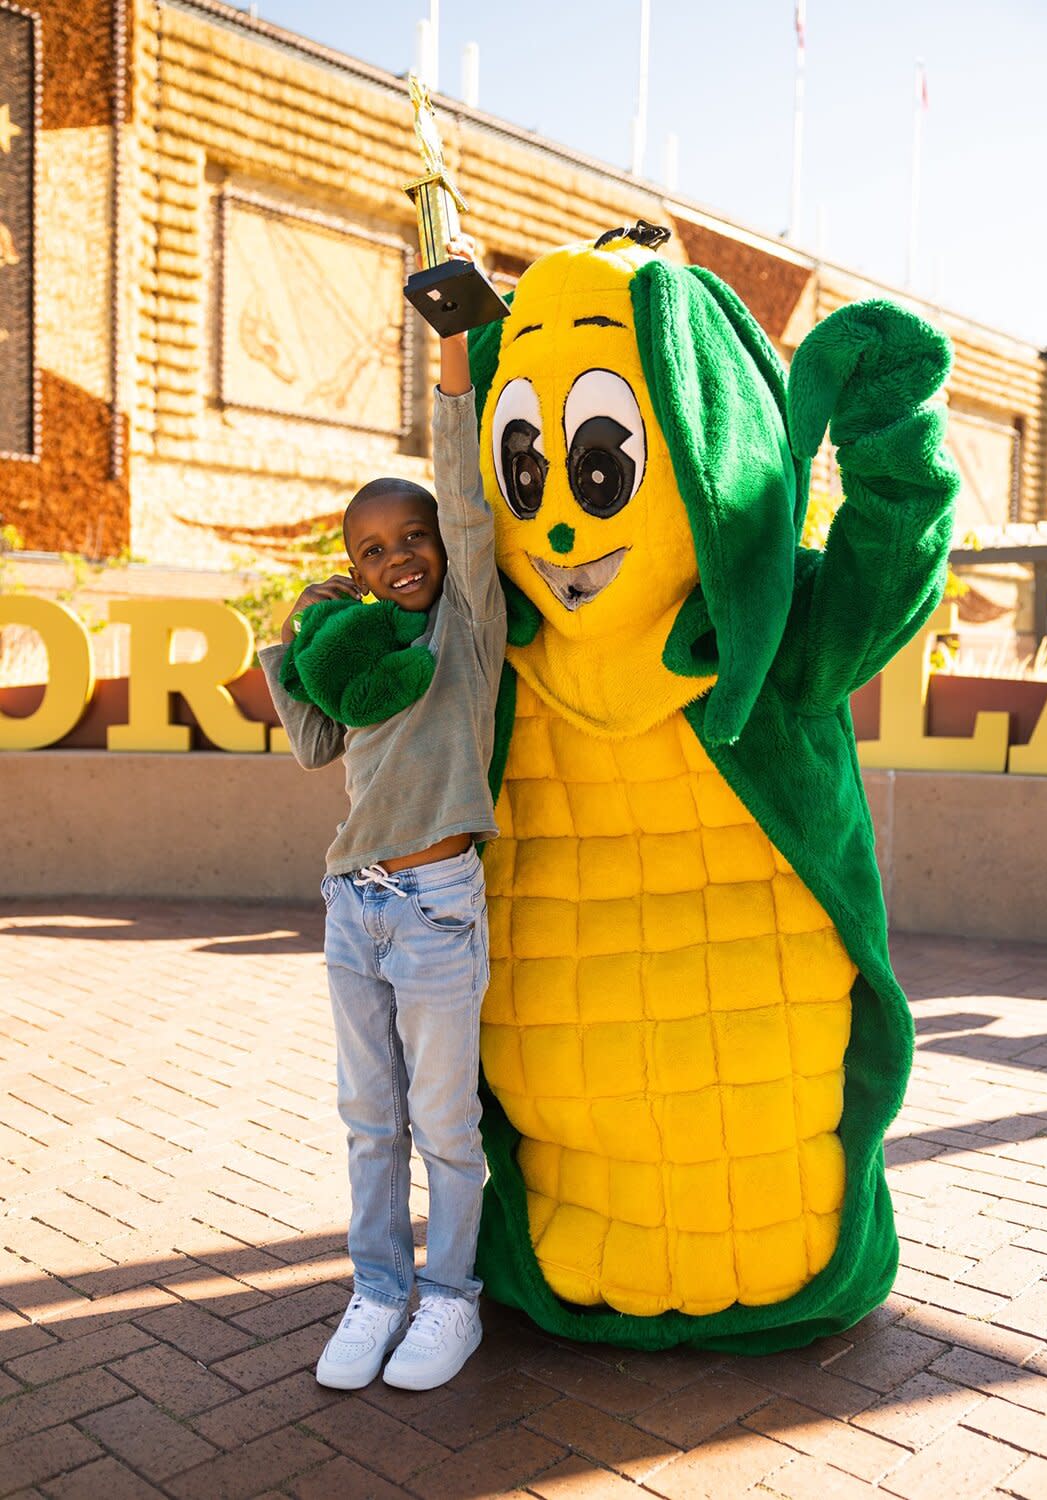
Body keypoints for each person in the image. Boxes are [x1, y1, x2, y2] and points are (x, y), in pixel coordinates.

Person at [258, 241, 506, 1393]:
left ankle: (451, 1298)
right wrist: (291, 641)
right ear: (355, 569)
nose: (398, 556)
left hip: (442, 904)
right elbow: (311, 747)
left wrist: (452, 352)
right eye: (373, 551)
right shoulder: (364, 660)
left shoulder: (464, 632)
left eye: (412, 539)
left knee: (446, 1129)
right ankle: (377, 1290)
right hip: (352, 905)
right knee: (370, 1122)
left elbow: (463, 493)